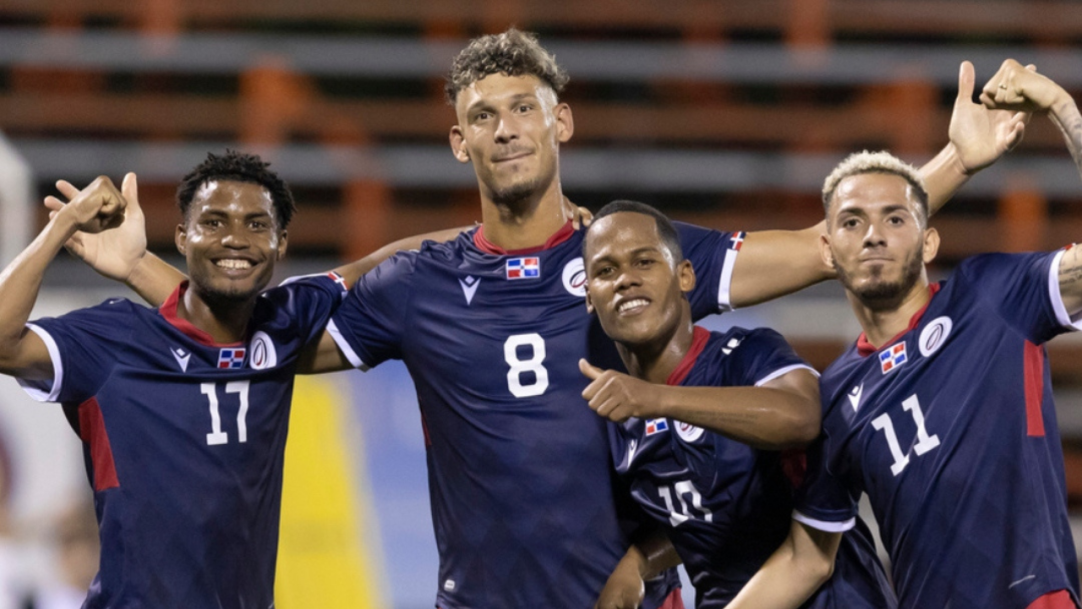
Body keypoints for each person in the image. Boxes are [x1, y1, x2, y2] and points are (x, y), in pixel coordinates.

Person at [63, 30, 1026, 608]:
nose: (506, 127)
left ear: (560, 121)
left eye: (524, 106)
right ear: (457, 140)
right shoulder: (417, 279)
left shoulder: (630, 260)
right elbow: (253, 336)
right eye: (483, 114)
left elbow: (834, 246)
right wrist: (143, 264)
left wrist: (949, 168)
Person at [723, 62, 1082, 609]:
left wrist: (1060, 104)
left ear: (930, 242)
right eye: (851, 222)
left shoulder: (991, 297)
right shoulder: (834, 399)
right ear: (826, 252)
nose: (873, 236)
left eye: (895, 219)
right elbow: (808, 557)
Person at [0, 151, 356, 607]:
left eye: (256, 224)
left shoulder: (281, 331)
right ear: (182, 236)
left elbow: (408, 265)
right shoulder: (116, 340)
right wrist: (61, 226)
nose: (235, 239)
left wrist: (476, 243)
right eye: (213, 222)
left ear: (281, 242)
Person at [576, 200, 895, 608]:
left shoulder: (746, 353)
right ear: (589, 297)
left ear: (685, 276)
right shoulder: (620, 418)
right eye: (606, 271)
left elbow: (803, 417)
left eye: (644, 262)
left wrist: (658, 399)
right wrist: (639, 562)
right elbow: (704, 516)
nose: (625, 281)